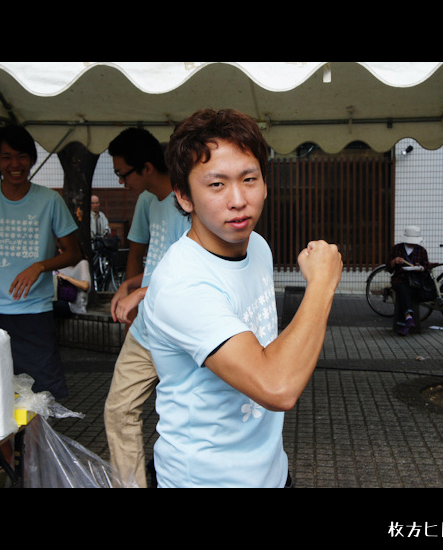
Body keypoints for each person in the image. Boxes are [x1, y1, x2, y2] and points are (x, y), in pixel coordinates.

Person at [142, 108, 343, 487]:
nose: (238, 200)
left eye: (249, 179)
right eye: (217, 185)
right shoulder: (183, 284)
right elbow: (277, 387)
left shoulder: (258, 247)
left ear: (265, 183)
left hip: (270, 472)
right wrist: (322, 284)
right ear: (184, 196)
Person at [0, 125, 81, 399]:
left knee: (42, 396)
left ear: (31, 159)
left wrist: (40, 266)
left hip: (35, 314)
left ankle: (39, 430)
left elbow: (73, 253)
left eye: (21, 156)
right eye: (6, 157)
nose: (15, 164)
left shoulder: (50, 200)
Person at [103, 128, 190, 488]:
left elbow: (192, 274)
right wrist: (131, 286)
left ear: (147, 167)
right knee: (118, 411)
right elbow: (150, 259)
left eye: (122, 173)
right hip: (144, 333)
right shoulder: (146, 201)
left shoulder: (190, 203)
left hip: (182, 335)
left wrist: (139, 292)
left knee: (186, 419)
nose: (120, 182)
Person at [387, 225, 436, 336]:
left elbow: (425, 267)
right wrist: (394, 261)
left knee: (405, 292)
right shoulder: (396, 249)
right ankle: (408, 316)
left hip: (416, 280)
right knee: (403, 288)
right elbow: (389, 268)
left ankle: (404, 322)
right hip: (400, 278)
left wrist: (421, 268)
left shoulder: (421, 251)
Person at [53, 239, 91, 317]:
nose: (59, 250)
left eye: (62, 248)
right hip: (62, 298)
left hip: (75, 304)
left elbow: (85, 285)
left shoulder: (82, 263)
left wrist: (66, 278)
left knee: (52, 306)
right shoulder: (61, 264)